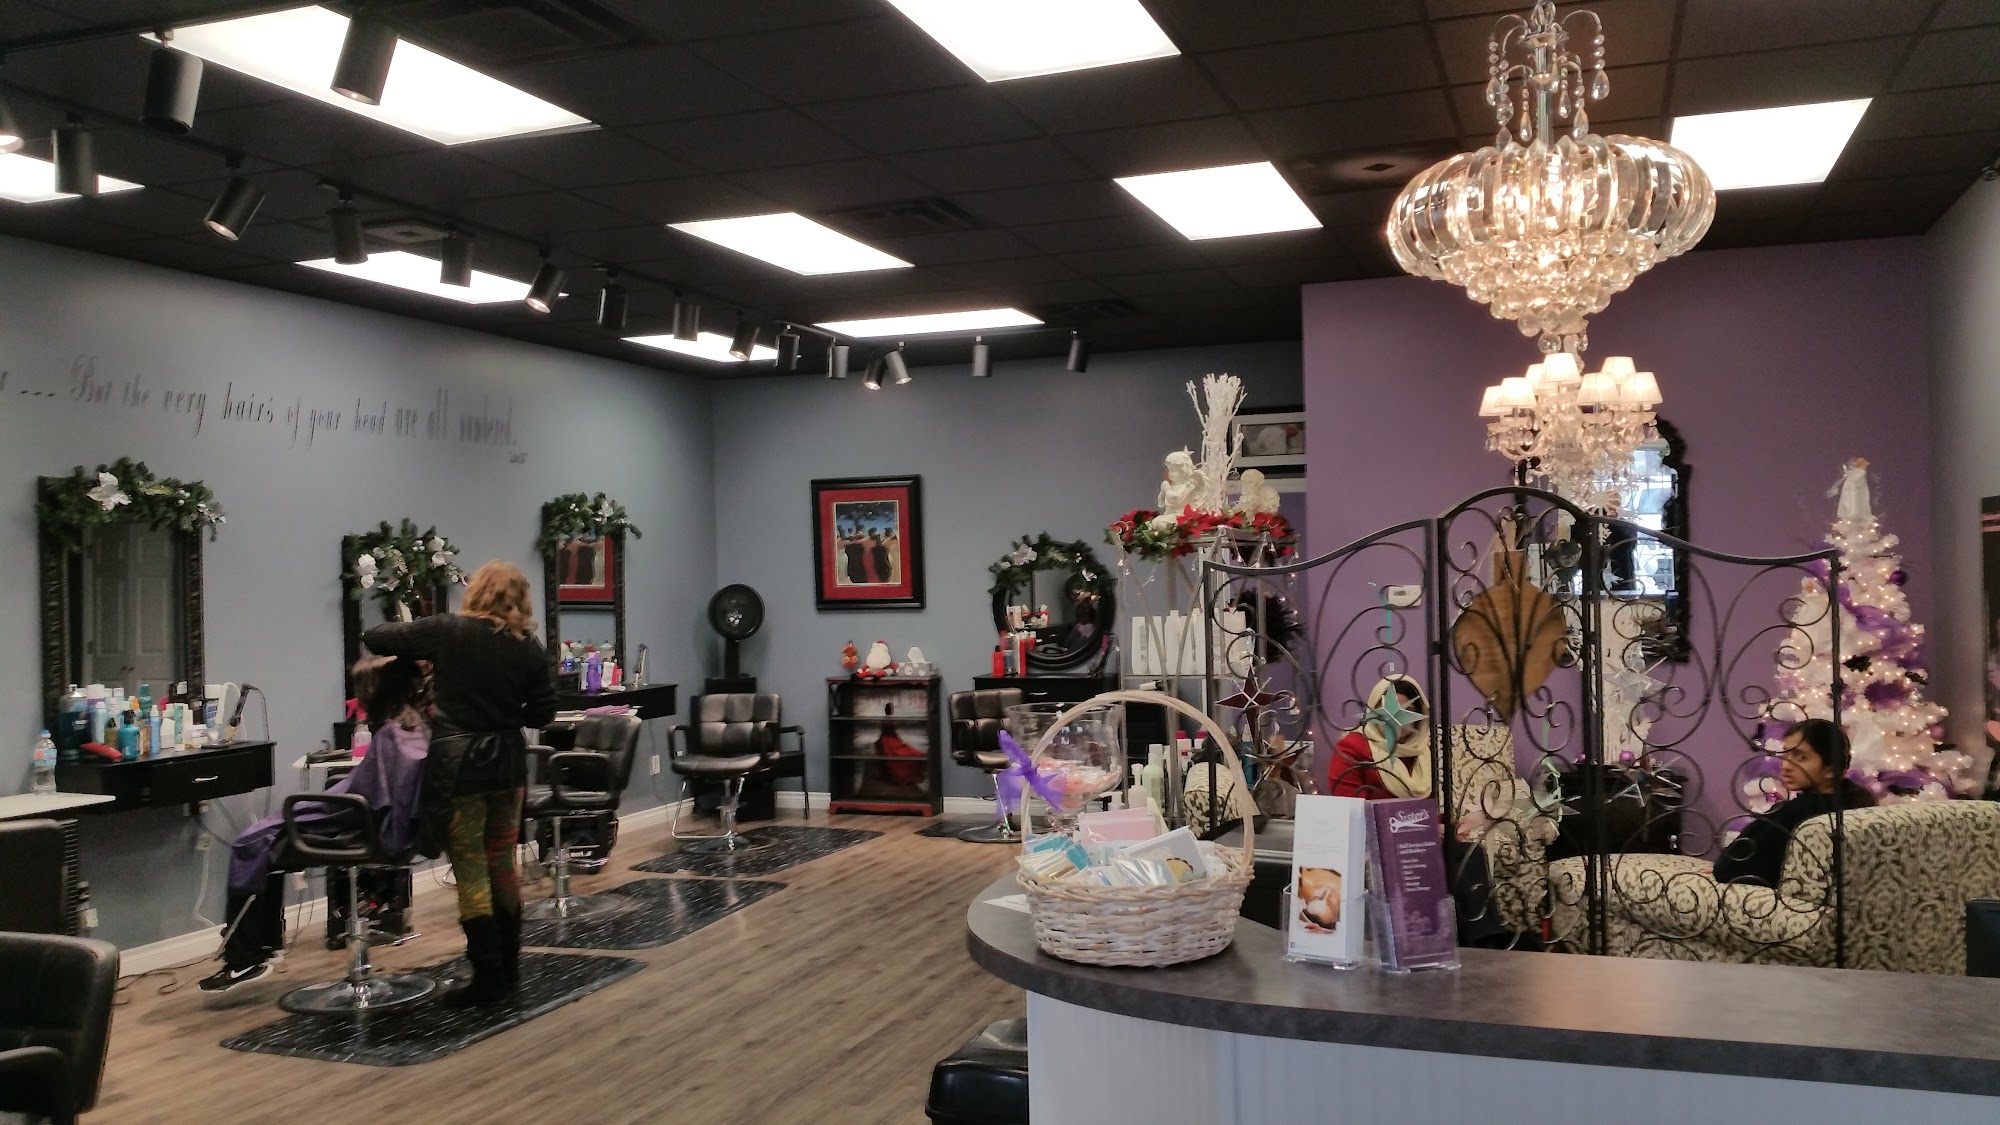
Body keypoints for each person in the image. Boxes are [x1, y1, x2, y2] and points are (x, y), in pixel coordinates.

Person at [363, 560, 557, 1004]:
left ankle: (487, 978)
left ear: (478, 591)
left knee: (470, 867)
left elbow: (375, 636)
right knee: (502, 864)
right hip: (508, 766)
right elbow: (542, 714)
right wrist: (503, 710)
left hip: (460, 767)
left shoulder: (449, 630)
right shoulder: (528, 646)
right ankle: (509, 970)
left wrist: (423, 657)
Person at [201, 656, 430, 993]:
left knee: (253, 841)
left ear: (372, 693)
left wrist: (316, 804)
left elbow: (369, 798)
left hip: (362, 830)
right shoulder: (411, 729)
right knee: (265, 837)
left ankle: (246, 956)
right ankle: (258, 948)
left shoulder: (390, 736)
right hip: (381, 829)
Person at [1713, 718, 1877, 888]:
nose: (1786, 765)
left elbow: (1727, 868)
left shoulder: (1794, 813)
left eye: (1800, 757)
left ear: (1830, 768)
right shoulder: (1863, 805)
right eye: (1785, 755)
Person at [1323, 674, 1432, 799]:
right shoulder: (1352, 748)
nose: (1396, 719)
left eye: (1408, 710)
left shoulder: (1429, 750)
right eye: (1390, 709)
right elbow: (1351, 806)